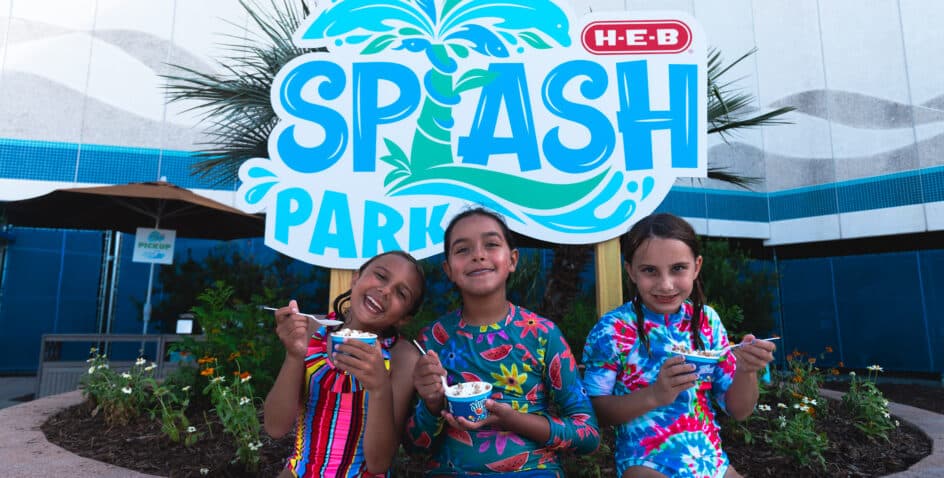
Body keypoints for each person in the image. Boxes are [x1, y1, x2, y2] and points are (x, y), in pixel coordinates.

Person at [407, 207, 599, 477]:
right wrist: (431, 404)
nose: (478, 254)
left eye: (491, 244)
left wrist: (514, 420)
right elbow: (416, 446)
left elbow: (588, 435)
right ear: (448, 270)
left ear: (512, 259)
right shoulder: (432, 340)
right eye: (463, 249)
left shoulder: (542, 334)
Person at [581, 212, 776, 478]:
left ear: (696, 266)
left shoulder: (707, 321)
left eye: (678, 268)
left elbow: (739, 410)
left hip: (712, 463)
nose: (666, 284)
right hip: (645, 464)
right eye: (650, 270)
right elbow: (595, 412)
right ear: (630, 271)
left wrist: (746, 369)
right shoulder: (612, 330)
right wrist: (655, 395)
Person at [264, 251, 426, 478]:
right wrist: (294, 355)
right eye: (380, 276)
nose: (386, 290)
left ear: (404, 318)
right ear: (356, 277)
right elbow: (275, 427)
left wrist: (379, 388)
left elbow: (378, 463)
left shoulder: (403, 358)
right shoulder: (311, 330)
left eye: (401, 293)